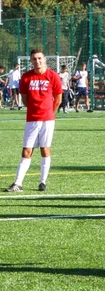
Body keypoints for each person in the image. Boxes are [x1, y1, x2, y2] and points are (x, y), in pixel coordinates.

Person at [6, 49, 63, 192]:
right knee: (26, 151)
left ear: (44, 59)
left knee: (45, 149)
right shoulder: (26, 77)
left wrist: (50, 112)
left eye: (39, 58)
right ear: (31, 61)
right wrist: (34, 109)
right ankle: (18, 183)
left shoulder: (53, 76)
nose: (37, 61)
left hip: (48, 119)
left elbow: (58, 98)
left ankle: (43, 182)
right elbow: (25, 99)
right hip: (32, 119)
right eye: (34, 59)